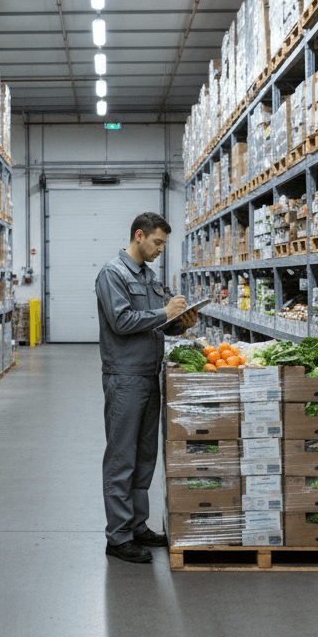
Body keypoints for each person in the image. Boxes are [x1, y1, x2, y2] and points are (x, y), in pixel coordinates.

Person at [94, 211, 199, 563]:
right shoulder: (113, 274)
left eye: (163, 244)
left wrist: (181, 322)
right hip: (124, 378)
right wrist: (163, 311)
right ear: (139, 236)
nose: (159, 250)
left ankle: (137, 525)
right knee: (121, 458)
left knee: (143, 458)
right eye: (157, 242)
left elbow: (160, 326)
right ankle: (118, 536)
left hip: (149, 375)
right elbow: (122, 321)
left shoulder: (150, 278)